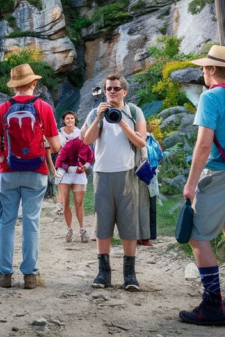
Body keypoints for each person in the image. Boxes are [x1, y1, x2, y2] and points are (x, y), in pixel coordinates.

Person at [178, 45, 225, 327]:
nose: (202, 72)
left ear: (212, 69)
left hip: (219, 174)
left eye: (204, 67)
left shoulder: (211, 97)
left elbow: (204, 144)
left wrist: (191, 183)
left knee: (197, 236)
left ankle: (212, 305)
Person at [0, 64, 60, 289]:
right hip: (36, 172)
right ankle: (30, 275)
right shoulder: (44, 107)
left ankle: (4, 275)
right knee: (31, 222)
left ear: (14, 85)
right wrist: (43, 144)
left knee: (7, 222)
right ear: (33, 83)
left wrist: (3, 160)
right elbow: (56, 145)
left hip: (9, 172)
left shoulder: (2, 109)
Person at [81, 73, 148, 291]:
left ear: (124, 91)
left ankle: (130, 275)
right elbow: (87, 140)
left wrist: (121, 121)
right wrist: (100, 117)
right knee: (103, 224)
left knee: (129, 224)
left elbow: (140, 141)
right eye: (108, 88)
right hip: (102, 174)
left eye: (116, 88)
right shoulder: (95, 112)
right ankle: (104, 272)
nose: (111, 92)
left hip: (127, 173)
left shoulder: (134, 112)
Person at [55, 111, 94, 243]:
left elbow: (87, 149)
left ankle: (82, 229)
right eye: (67, 118)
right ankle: (69, 229)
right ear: (64, 120)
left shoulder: (80, 133)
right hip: (64, 171)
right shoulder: (59, 133)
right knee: (65, 202)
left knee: (79, 202)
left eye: (72, 118)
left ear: (75, 120)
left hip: (78, 171)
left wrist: (86, 165)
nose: (70, 120)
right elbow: (55, 148)